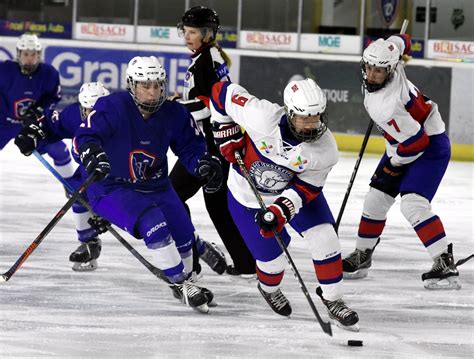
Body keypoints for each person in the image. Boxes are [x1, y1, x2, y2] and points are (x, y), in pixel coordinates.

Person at [73, 56, 223, 312]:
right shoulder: (112, 106)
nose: (153, 92)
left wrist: (201, 163)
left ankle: (188, 279)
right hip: (112, 187)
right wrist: (91, 153)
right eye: (145, 85)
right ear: (132, 85)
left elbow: (190, 147)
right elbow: (84, 136)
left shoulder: (174, 113)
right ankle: (182, 282)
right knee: (153, 222)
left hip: (157, 185)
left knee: (183, 233)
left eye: (157, 85)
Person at [209, 78, 359, 330]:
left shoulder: (325, 149)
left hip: (295, 192)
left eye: (316, 117)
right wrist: (225, 133)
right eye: (304, 118)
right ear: (289, 113)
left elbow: (306, 188)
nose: (312, 125)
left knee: (325, 237)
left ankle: (333, 299)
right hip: (247, 196)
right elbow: (219, 92)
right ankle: (269, 288)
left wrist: (281, 210)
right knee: (272, 263)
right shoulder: (261, 117)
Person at [342, 34, 461, 290]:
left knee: (413, 205)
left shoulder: (386, 105)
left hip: (429, 146)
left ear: (392, 69)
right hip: (403, 142)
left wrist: (393, 164)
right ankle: (363, 254)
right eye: (369, 68)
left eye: (379, 71)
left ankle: (443, 260)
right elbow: (400, 40)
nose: (372, 75)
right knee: (375, 198)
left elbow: (418, 143)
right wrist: (402, 42)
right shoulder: (390, 54)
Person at [169, 5, 256, 278]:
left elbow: (210, 106)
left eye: (192, 32)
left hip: (205, 148)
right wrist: (181, 103)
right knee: (218, 207)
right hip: (214, 145)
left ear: (207, 34)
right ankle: (246, 262)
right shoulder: (209, 57)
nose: (187, 36)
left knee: (170, 196)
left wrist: (176, 107)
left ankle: (192, 253)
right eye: (185, 31)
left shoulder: (207, 60)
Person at [15, 81, 110, 271]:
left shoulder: (120, 120)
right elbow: (51, 125)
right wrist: (34, 134)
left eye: (96, 111)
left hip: (122, 172)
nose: (92, 116)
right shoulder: (75, 114)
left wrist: (107, 211)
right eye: (87, 110)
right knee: (76, 191)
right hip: (89, 171)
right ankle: (89, 243)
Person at [0, 33, 74, 181]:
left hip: (33, 123)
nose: (29, 58)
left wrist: (38, 111)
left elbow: (53, 96)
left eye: (33, 54)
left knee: (59, 149)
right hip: (4, 122)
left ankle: (72, 187)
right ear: (18, 54)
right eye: (26, 54)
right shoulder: (4, 70)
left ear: (39, 55)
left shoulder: (49, 73)